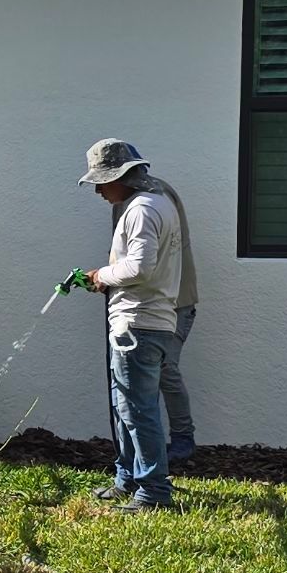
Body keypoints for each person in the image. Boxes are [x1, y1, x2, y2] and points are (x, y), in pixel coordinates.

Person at [70, 136, 184, 510]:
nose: (99, 190)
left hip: (138, 322)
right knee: (129, 407)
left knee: (138, 410)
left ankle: (152, 492)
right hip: (150, 319)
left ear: (121, 175)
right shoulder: (159, 204)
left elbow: (139, 267)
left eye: (102, 181)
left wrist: (102, 274)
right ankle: (128, 478)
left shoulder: (141, 210)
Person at [147, 171, 198, 467]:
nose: (99, 191)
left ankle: (182, 440)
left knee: (165, 367)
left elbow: (143, 261)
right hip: (153, 302)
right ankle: (148, 446)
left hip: (176, 302)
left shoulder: (153, 196)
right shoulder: (135, 197)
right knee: (145, 373)